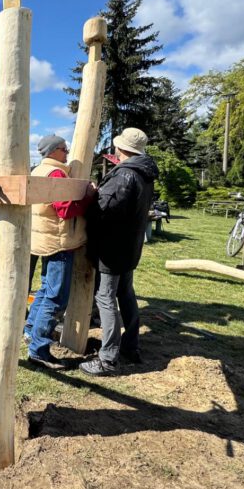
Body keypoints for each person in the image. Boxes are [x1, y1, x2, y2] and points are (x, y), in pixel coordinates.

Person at [80, 127, 159, 376]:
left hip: (112, 248)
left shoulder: (125, 175)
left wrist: (92, 196)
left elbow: (105, 211)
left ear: (120, 148)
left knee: (105, 299)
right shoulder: (145, 173)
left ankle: (108, 358)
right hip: (129, 246)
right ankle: (130, 346)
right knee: (126, 295)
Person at [24, 135, 95, 370]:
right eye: (64, 149)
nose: (67, 153)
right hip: (58, 242)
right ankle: (39, 351)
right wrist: (87, 197)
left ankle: (30, 332)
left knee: (45, 290)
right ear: (54, 151)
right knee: (55, 298)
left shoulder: (37, 171)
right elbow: (64, 210)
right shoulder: (55, 174)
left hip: (44, 239)